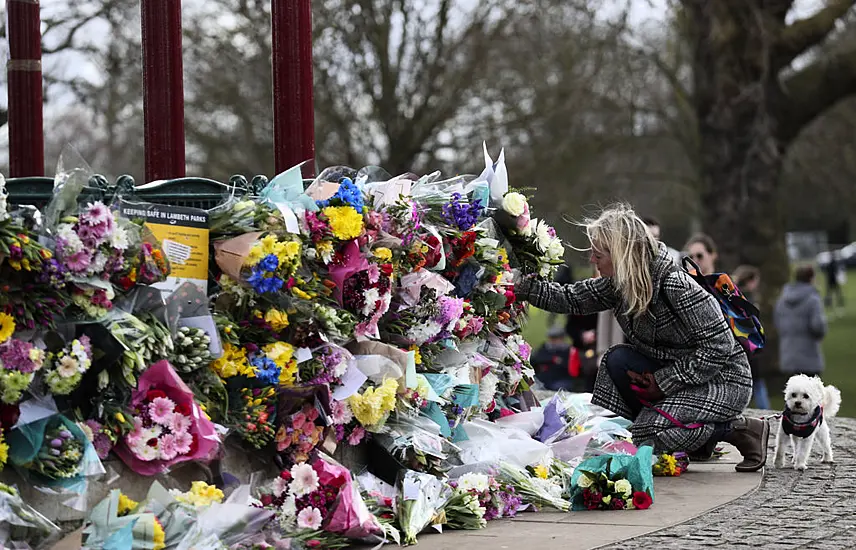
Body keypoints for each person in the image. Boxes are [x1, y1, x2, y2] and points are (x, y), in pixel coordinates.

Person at [516, 204, 766, 472]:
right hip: (683, 373)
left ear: (620, 254)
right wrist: (517, 285)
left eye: (598, 253)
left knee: (646, 434)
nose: (591, 259)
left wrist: (664, 382)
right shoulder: (620, 284)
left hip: (724, 380)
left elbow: (719, 347)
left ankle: (738, 429)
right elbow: (571, 298)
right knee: (617, 360)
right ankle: (688, 436)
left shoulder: (674, 285)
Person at [774, 266, 827, 378]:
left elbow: (777, 323)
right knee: (811, 393)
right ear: (811, 278)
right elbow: (818, 325)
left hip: (788, 356)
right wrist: (820, 334)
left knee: (794, 393)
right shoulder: (813, 300)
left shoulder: (781, 300)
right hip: (809, 355)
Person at [732, 265, 770, 410]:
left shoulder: (732, 296)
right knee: (758, 385)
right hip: (749, 348)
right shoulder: (749, 299)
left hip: (740, 347)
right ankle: (765, 412)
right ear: (751, 280)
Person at [531, 325, 578, 391]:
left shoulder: (568, 350)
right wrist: (553, 359)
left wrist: (548, 362)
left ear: (562, 338)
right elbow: (537, 359)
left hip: (561, 380)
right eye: (551, 338)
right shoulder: (545, 347)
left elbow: (568, 367)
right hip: (543, 379)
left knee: (559, 388)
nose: (553, 340)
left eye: (555, 338)